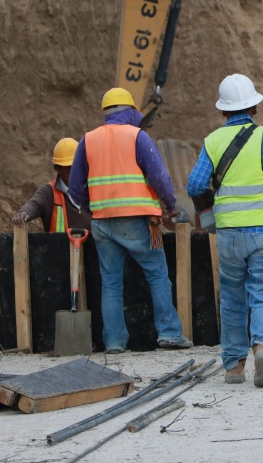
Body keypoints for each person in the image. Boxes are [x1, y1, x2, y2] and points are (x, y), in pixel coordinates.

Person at [187, 74, 263, 387]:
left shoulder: (212, 141)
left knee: (233, 298)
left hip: (229, 236)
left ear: (223, 111)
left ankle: (234, 367)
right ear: (255, 108)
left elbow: (195, 185)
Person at [69, 87, 192, 355]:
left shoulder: (87, 140)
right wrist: (171, 206)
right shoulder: (138, 136)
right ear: (130, 112)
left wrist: (94, 209)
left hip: (102, 222)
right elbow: (159, 178)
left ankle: (113, 342)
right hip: (137, 221)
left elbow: (75, 188)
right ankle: (169, 333)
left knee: (111, 283)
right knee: (158, 275)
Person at [12, 138, 91, 232]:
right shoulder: (49, 193)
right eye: (68, 168)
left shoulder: (93, 190)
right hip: (60, 246)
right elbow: (34, 204)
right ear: (57, 168)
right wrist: (24, 212)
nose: (73, 173)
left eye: (75, 167)